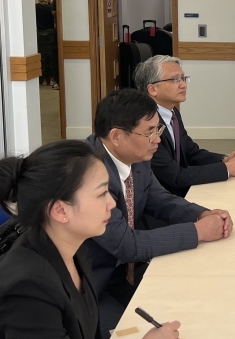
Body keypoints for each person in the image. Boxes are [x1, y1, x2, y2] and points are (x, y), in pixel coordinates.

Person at [84, 88, 233, 338]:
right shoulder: (88, 174)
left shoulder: (137, 155)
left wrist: (202, 215)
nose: (157, 140)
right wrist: (197, 232)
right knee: (134, 332)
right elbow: (126, 244)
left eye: (158, 129)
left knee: (196, 306)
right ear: (117, 136)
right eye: (150, 132)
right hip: (92, 288)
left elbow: (159, 199)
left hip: (126, 272)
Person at [0, 140, 180, 338]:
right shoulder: (29, 289)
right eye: (102, 193)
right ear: (60, 210)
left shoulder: (75, 252)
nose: (112, 203)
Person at [134, 55, 235, 197]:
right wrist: (227, 168)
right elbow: (176, 176)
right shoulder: (144, 125)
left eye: (183, 78)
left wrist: (224, 159)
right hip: (160, 200)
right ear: (153, 89)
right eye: (175, 79)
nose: (183, 85)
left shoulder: (172, 113)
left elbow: (190, 152)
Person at [36, 0, 59, 89]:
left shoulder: (35, 8)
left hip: (40, 33)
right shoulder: (50, 8)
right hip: (50, 33)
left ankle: (44, 80)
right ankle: (52, 79)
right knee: (52, 57)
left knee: (42, 57)